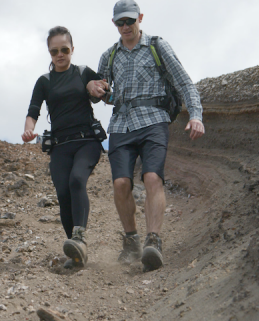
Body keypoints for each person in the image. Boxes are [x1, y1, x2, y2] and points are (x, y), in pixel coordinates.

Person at [86, 0, 205, 272]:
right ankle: (132, 241)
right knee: (120, 184)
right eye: (120, 22)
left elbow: (184, 82)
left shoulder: (157, 46)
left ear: (140, 17)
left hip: (154, 120)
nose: (126, 26)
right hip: (121, 125)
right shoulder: (109, 56)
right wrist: (92, 88)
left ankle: (154, 241)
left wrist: (196, 115)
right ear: (114, 24)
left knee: (152, 177)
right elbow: (99, 95)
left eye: (130, 20)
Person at [22, 26, 104, 269]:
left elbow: (102, 91)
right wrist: (28, 129)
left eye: (64, 50)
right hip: (60, 146)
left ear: (72, 50)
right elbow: (33, 112)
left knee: (77, 180)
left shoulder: (83, 72)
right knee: (62, 194)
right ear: (49, 52)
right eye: (54, 51)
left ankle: (79, 238)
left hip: (87, 141)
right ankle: (76, 252)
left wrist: (98, 89)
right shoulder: (44, 82)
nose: (60, 54)